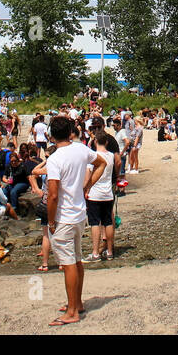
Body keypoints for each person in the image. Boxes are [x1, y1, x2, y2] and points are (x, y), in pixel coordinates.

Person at [45, 116, 106, 327]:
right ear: (71, 131)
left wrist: (50, 222)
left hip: (64, 216)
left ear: (51, 135)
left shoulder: (54, 159)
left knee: (68, 263)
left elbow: (53, 195)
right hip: (80, 214)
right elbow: (102, 163)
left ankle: (72, 311)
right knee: (77, 260)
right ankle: (76, 303)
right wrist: (87, 185)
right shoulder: (81, 149)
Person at [84, 132, 117, 262]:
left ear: (95, 141)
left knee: (94, 223)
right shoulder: (110, 156)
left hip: (95, 193)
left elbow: (88, 173)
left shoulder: (93, 156)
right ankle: (109, 250)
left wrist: (85, 188)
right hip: (107, 192)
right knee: (107, 221)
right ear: (107, 142)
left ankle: (95, 252)